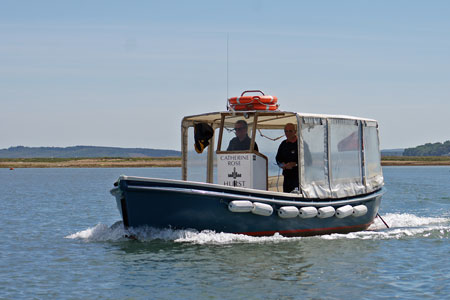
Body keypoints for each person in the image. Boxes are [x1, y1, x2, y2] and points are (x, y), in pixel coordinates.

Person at [276, 123, 299, 193]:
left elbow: (309, 161)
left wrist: (295, 164)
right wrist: (281, 165)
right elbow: (277, 159)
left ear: (295, 132)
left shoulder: (301, 144)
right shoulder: (283, 144)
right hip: (287, 177)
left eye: (290, 131)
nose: (287, 133)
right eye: (286, 131)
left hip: (298, 178)